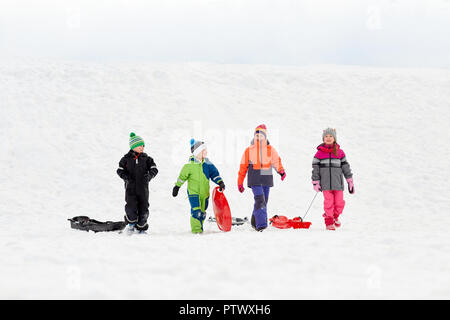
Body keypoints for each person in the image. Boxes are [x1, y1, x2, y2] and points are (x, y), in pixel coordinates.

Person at [237, 124, 286, 231]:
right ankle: (261, 226)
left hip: (266, 178)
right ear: (254, 136)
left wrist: (281, 171)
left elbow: (276, 161)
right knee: (260, 200)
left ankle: (255, 221)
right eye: (257, 135)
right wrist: (240, 182)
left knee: (264, 201)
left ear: (265, 136)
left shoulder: (270, 149)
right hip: (254, 178)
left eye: (261, 135)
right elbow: (243, 167)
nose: (259, 137)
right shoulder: (249, 150)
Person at [172, 139, 225, 234]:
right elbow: (182, 177)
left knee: (203, 213)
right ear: (197, 152)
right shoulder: (189, 166)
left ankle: (200, 228)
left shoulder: (208, 164)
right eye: (203, 150)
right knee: (196, 212)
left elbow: (214, 174)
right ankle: (196, 231)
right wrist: (177, 187)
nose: (206, 152)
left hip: (204, 193)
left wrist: (220, 182)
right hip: (193, 193)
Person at [311, 128, 354, 230]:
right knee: (328, 202)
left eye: (331, 136)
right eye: (326, 136)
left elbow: (345, 167)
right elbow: (315, 169)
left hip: (338, 183)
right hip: (325, 184)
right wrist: (315, 182)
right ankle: (329, 221)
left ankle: (335, 216)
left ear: (334, 138)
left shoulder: (340, 153)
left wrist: (349, 180)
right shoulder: (319, 154)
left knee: (339, 203)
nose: (328, 138)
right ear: (323, 139)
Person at [117, 132, 158, 234]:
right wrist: (126, 177)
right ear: (133, 146)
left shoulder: (147, 159)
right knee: (131, 206)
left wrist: (149, 176)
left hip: (143, 189)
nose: (142, 147)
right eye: (139, 145)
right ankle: (131, 224)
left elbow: (154, 169)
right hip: (130, 188)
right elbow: (119, 170)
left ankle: (141, 228)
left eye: (143, 145)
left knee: (144, 208)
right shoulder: (125, 159)